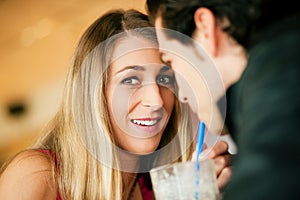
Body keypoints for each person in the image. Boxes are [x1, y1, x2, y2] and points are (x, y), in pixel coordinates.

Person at [0, 9, 232, 200]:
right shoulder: (36, 175)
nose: (156, 100)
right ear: (93, 94)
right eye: (130, 80)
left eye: (164, 79)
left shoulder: (163, 183)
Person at [146, 0, 300, 199]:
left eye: (171, 60)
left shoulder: (281, 75)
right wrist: (246, 169)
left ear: (205, 28)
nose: (182, 95)